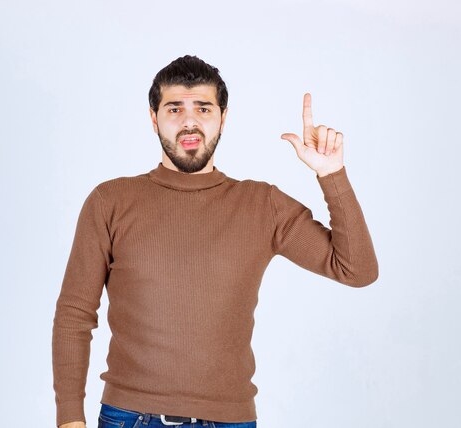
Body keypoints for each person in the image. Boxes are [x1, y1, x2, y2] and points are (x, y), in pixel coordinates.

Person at [52, 54, 379, 428]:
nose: (190, 121)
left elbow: (357, 270)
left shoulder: (261, 205)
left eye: (203, 108)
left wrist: (332, 174)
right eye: (174, 108)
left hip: (230, 420)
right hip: (130, 417)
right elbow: (74, 315)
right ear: (153, 117)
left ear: (223, 118)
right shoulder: (110, 201)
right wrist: (69, 419)